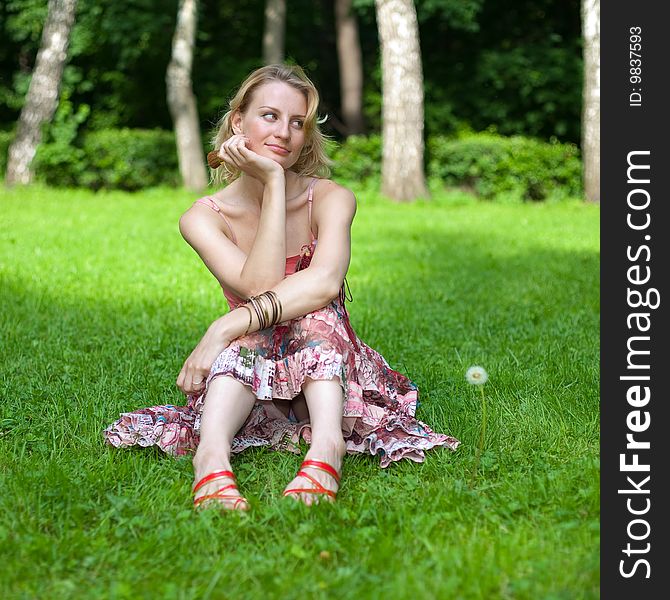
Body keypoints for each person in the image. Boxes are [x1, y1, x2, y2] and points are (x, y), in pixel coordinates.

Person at [104, 64, 460, 511]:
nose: (286, 133)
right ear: (238, 123)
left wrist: (223, 326)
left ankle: (326, 448)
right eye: (270, 116)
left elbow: (325, 283)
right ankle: (211, 458)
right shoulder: (203, 217)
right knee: (253, 335)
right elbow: (261, 286)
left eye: (298, 123)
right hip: (253, 384)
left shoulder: (331, 198)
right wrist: (273, 183)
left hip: (325, 380)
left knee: (314, 312)